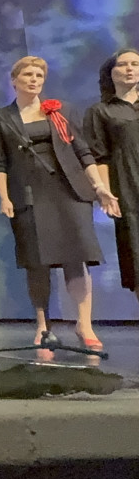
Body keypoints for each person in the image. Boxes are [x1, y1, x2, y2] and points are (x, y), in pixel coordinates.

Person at [0, 55, 115, 351]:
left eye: (39, 76)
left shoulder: (61, 110)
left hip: (69, 191)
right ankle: (43, 326)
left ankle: (84, 324)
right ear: (14, 80)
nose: (34, 80)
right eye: (28, 75)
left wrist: (99, 186)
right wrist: (4, 197)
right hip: (29, 193)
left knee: (76, 258)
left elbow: (83, 151)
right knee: (37, 262)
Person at [84, 49, 139, 299]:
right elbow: (99, 156)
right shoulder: (101, 111)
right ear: (111, 73)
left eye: (135, 64)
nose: (130, 69)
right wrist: (104, 192)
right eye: (123, 64)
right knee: (135, 256)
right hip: (128, 189)